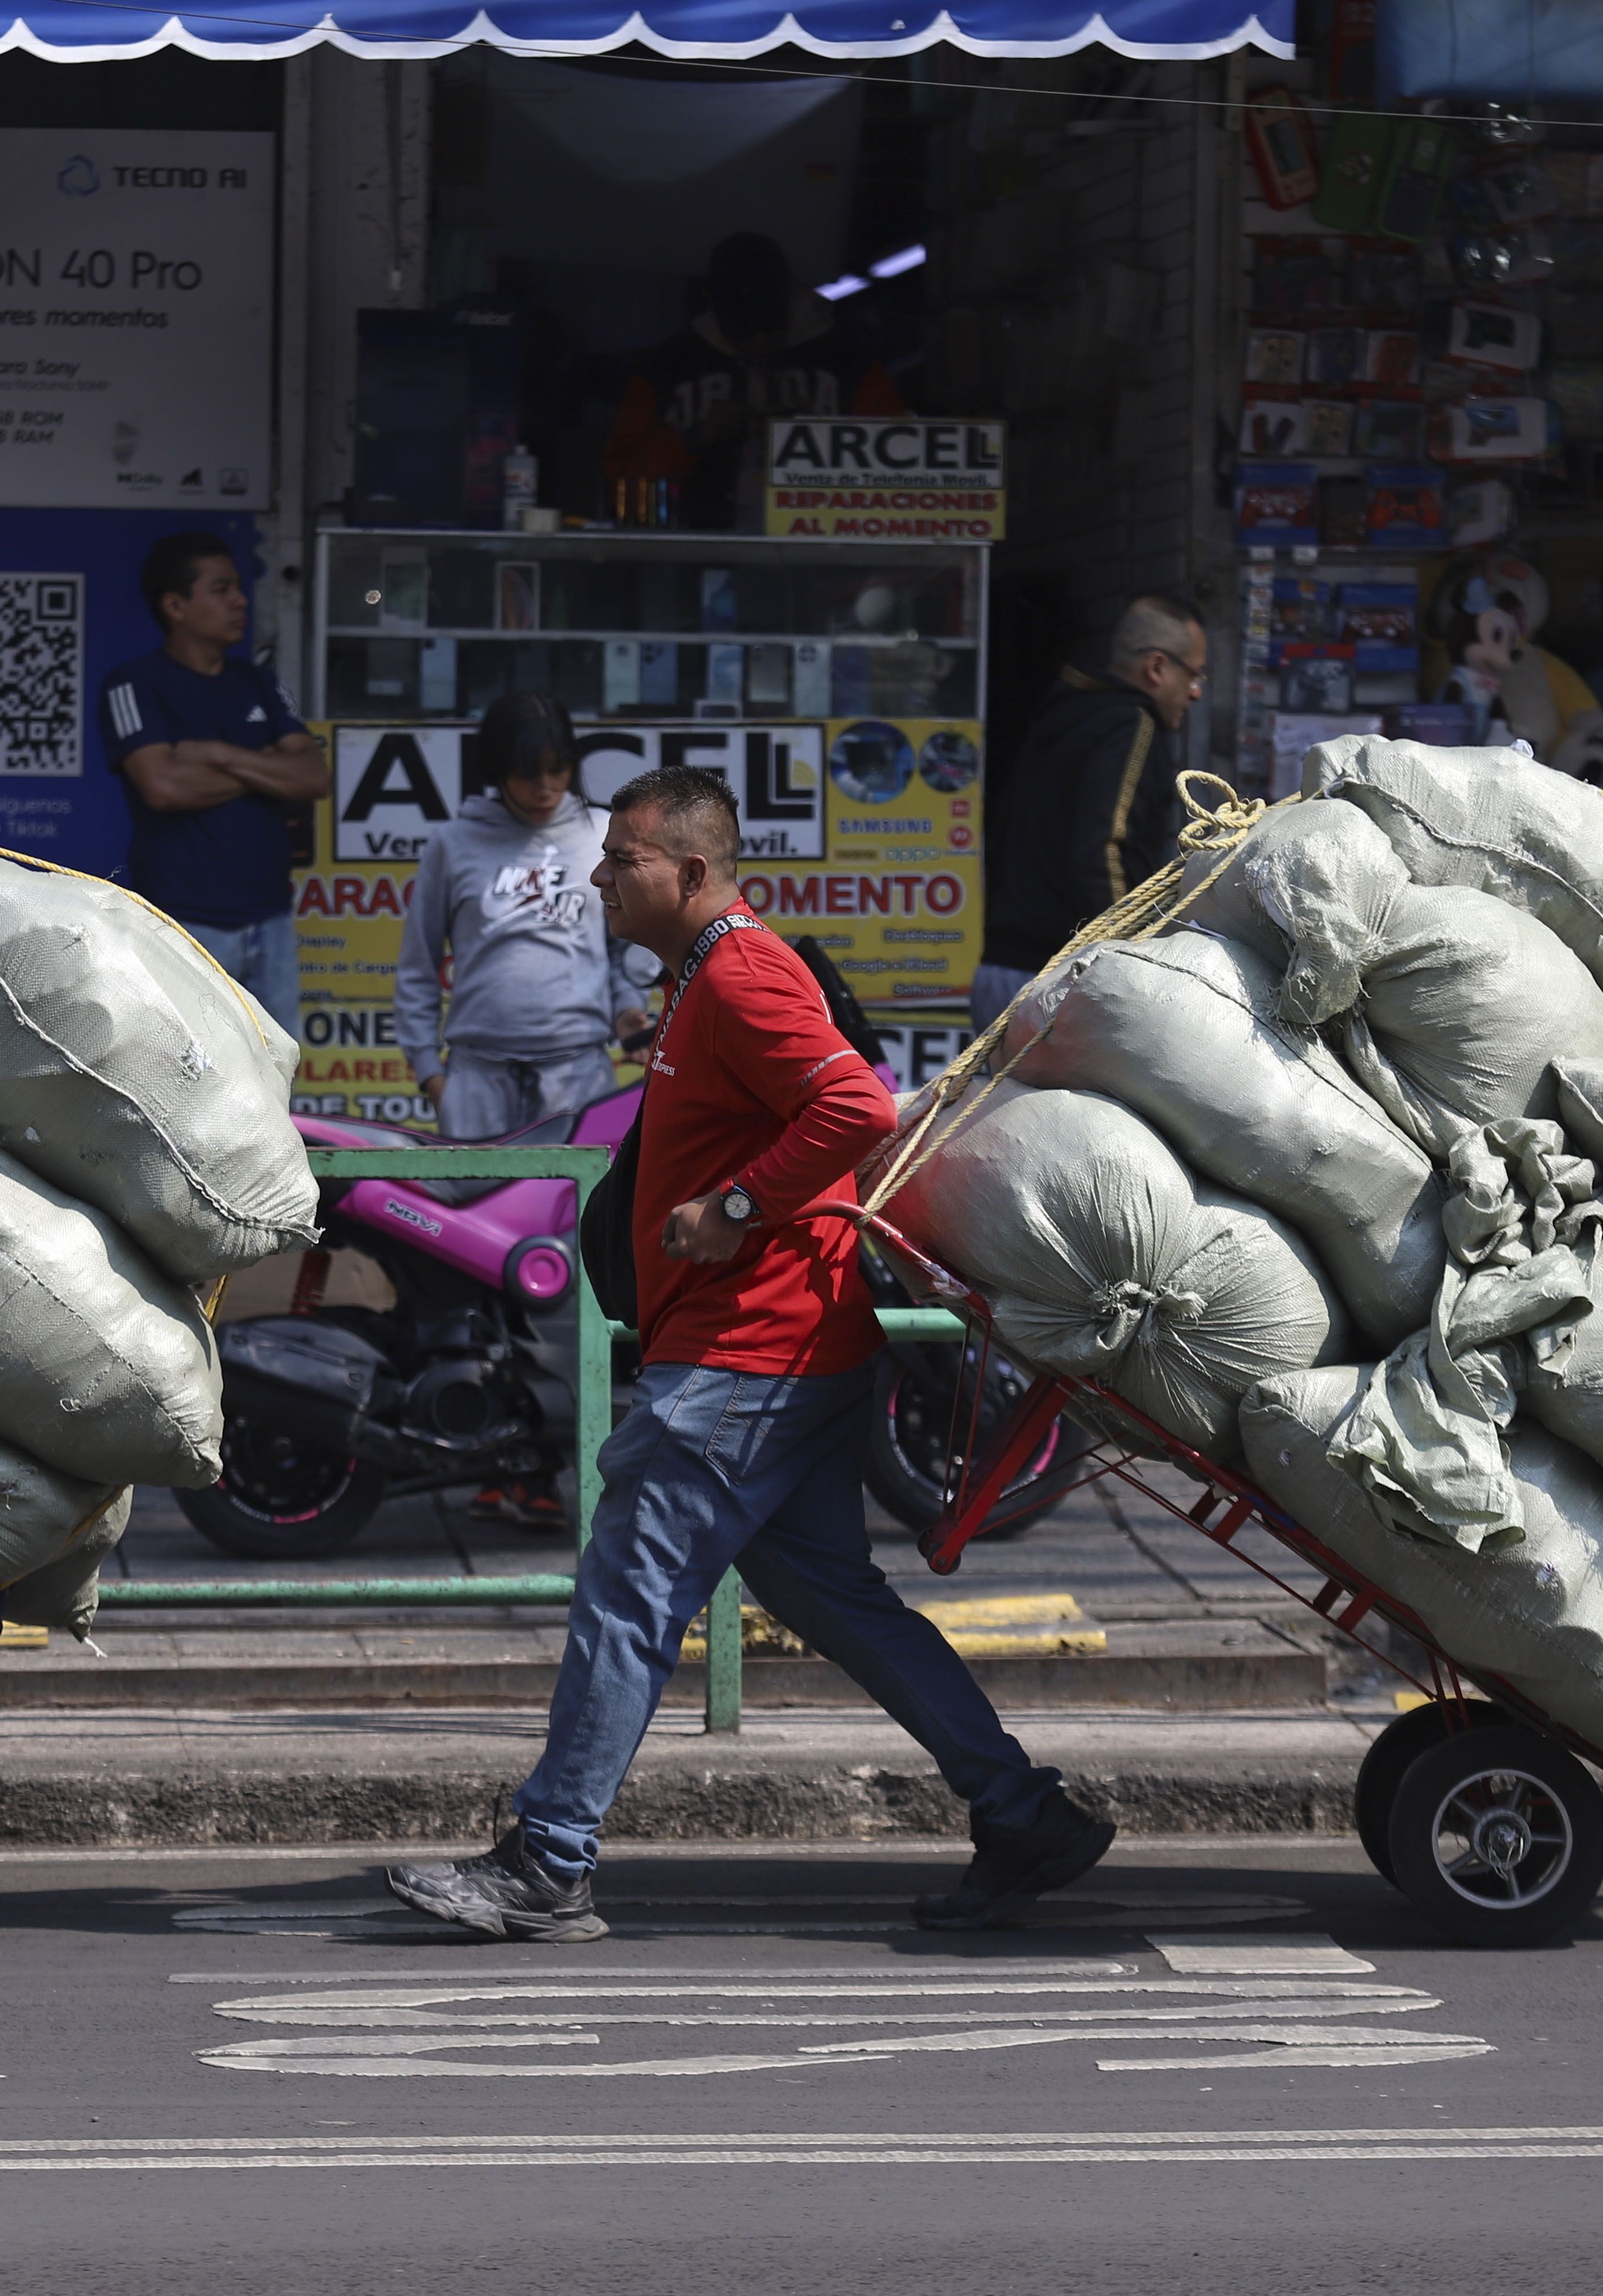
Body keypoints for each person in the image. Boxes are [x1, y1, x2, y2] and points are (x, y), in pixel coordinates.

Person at [383, 765, 1111, 1943]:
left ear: (688, 870)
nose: (598, 877)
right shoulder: (695, 981)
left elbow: (850, 1104)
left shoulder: (743, 971)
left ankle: (547, 1860)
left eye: (620, 860)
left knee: (627, 1592)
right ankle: (1023, 1810)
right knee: (836, 1599)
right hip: (782, 1349)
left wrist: (729, 1207)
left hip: (747, 1354)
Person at [394, 690, 659, 1528]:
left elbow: (621, 955)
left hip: (574, 1080)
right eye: (526, 775)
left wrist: (626, 1012)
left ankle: (571, 1458)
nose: (545, 788)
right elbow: (413, 965)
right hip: (475, 1074)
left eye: (556, 772)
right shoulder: (453, 844)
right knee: (469, 1264)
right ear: (494, 772)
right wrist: (430, 1075)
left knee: (567, 1268)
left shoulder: (596, 836)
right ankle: (485, 1455)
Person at [101, 532, 326, 1025]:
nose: (240, 601)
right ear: (176, 606)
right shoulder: (135, 684)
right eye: (221, 590)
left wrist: (218, 755)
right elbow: (163, 788)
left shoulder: (258, 683)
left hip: (270, 918)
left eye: (238, 588)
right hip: (185, 923)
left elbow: (313, 776)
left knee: (276, 1080)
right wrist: (265, 766)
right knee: (192, 1081)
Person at [971, 593, 1209, 1031]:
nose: (1194, 692)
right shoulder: (1130, 725)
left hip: (999, 971)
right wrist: (1128, 953)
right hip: (1062, 982)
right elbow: (1104, 847)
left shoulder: (1059, 714)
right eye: (1193, 674)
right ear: (1156, 668)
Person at [601, 232, 906, 532]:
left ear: (791, 295)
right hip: (691, 554)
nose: (759, 342)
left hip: (813, 560)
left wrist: (812, 445)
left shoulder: (847, 364)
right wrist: (694, 438)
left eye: (769, 326)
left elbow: (899, 478)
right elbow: (623, 493)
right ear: (712, 303)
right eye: (744, 330)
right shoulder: (668, 367)